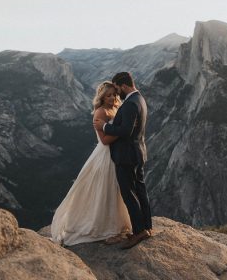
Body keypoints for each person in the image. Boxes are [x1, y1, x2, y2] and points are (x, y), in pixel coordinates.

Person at [51, 81, 131, 246]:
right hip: (104, 156)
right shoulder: (100, 112)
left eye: (114, 95)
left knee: (113, 190)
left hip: (115, 155)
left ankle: (113, 223)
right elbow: (104, 140)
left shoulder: (115, 108)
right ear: (101, 97)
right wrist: (123, 132)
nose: (112, 98)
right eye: (108, 95)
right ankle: (100, 225)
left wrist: (120, 130)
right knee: (103, 189)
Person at [93, 71, 152, 249]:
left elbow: (125, 131)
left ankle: (139, 231)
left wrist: (103, 126)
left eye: (117, 90)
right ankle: (147, 227)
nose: (117, 94)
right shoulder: (140, 99)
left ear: (124, 86)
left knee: (128, 193)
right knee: (140, 191)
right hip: (137, 153)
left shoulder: (129, 105)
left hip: (126, 156)